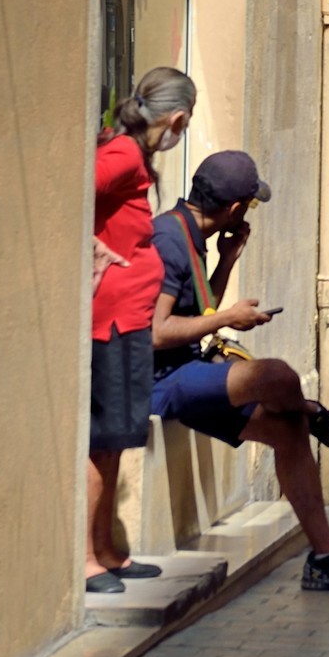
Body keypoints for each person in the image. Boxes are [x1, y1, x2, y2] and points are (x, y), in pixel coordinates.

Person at [151, 151, 329, 593]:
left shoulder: (189, 234)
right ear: (237, 208)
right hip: (161, 381)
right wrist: (226, 320)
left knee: (288, 429)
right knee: (277, 376)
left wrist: (227, 259)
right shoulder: (169, 239)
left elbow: (198, 308)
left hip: (185, 369)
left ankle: (326, 558)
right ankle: (316, 410)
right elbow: (157, 331)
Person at [86, 68, 193, 593]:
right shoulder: (124, 154)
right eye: (185, 123)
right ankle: (88, 559)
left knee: (117, 441)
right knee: (102, 441)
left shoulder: (134, 155)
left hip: (129, 317)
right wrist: (94, 248)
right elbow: (76, 189)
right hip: (112, 318)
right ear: (176, 118)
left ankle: (108, 550)